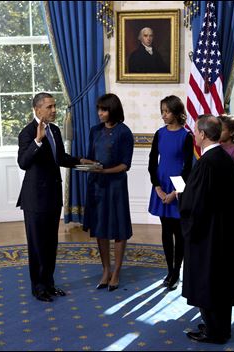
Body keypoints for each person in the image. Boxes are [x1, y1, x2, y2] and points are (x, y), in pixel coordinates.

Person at [179, 114, 234, 344]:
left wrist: (182, 198)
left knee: (207, 281)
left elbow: (195, 205)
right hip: (224, 232)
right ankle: (220, 327)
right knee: (220, 282)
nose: (194, 134)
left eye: (196, 131)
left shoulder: (207, 162)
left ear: (203, 134)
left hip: (207, 235)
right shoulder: (225, 158)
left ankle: (214, 332)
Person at [16, 92, 83, 302]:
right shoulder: (27, 133)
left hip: (53, 196)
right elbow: (23, 163)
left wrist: (82, 161)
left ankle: (50, 284)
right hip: (35, 199)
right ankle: (38, 288)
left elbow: (60, 157)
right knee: (37, 245)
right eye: (50, 107)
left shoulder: (54, 129)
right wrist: (37, 140)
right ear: (37, 110)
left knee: (51, 243)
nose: (54, 110)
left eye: (55, 106)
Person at [82, 93, 134, 292]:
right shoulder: (95, 130)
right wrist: (85, 163)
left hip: (116, 186)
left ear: (113, 110)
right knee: (100, 228)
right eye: (99, 109)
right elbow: (90, 157)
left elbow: (125, 165)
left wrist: (103, 170)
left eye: (103, 110)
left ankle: (117, 272)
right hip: (96, 185)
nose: (99, 113)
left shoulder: (124, 132)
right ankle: (105, 270)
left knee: (118, 229)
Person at [148, 95, 193, 290]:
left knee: (178, 232)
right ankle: (169, 270)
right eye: (162, 112)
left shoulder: (186, 136)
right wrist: (157, 188)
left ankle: (177, 271)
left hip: (178, 184)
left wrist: (174, 193)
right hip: (161, 184)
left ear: (176, 112)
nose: (163, 115)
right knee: (166, 231)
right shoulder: (159, 133)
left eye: (166, 111)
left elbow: (188, 167)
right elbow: (151, 162)